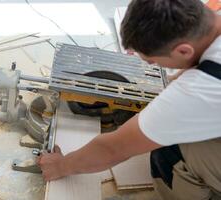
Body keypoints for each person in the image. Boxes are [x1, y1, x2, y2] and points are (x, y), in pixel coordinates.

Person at [37, 0, 221, 199]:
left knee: (167, 150)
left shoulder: (201, 89)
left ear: (184, 51)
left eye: (153, 61)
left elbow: (113, 149)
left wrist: (62, 165)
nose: (152, 65)